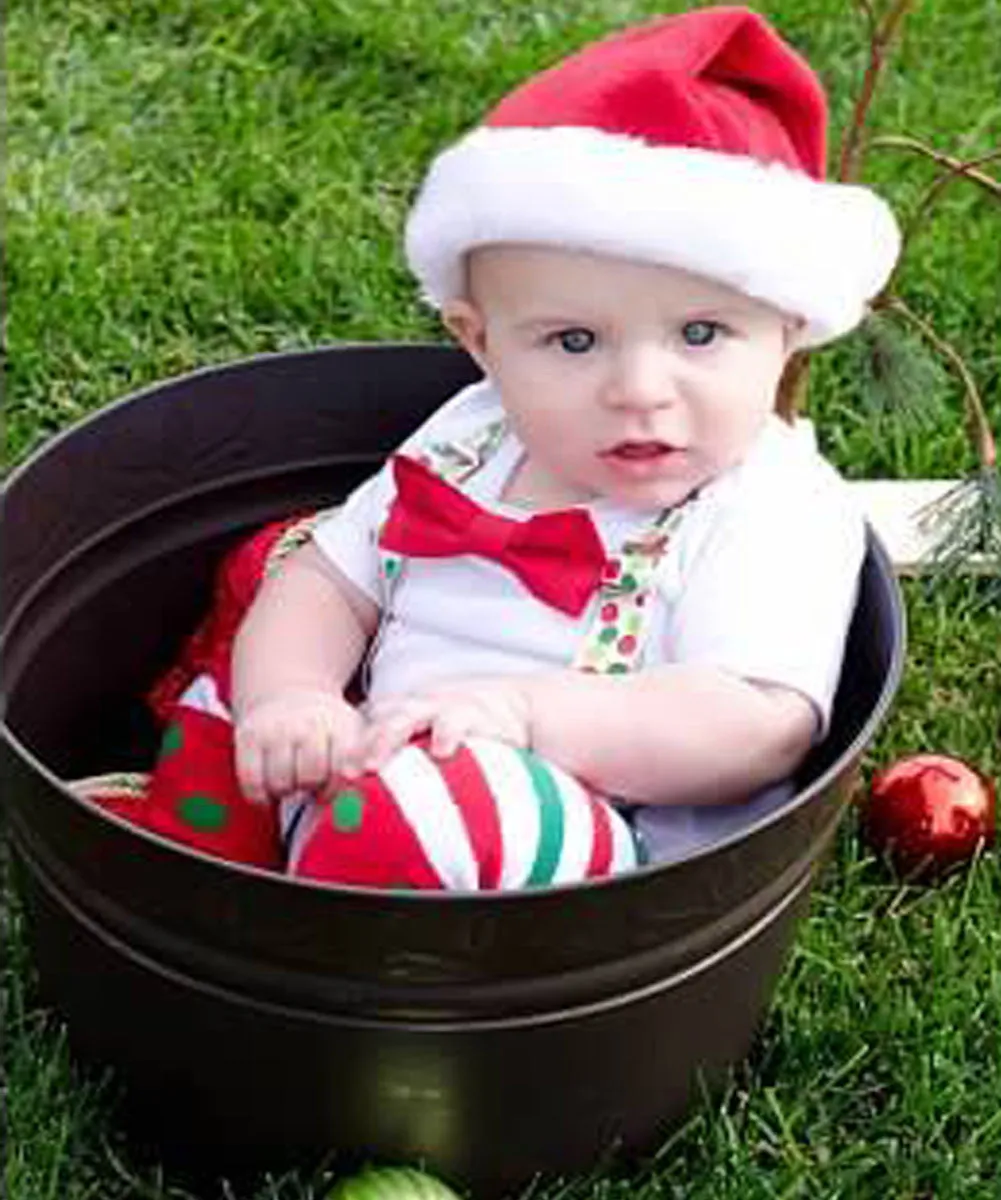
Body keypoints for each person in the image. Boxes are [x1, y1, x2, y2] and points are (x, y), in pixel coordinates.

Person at [100, 6, 900, 888]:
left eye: (701, 333)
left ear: (786, 331)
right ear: (480, 342)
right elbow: (327, 581)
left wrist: (523, 715)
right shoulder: (470, 436)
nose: (638, 387)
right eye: (571, 341)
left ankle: (291, 892)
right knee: (238, 689)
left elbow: (755, 724)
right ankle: (216, 857)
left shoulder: (773, 503)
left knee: (440, 813)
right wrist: (295, 698)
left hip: (595, 854)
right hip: (370, 757)